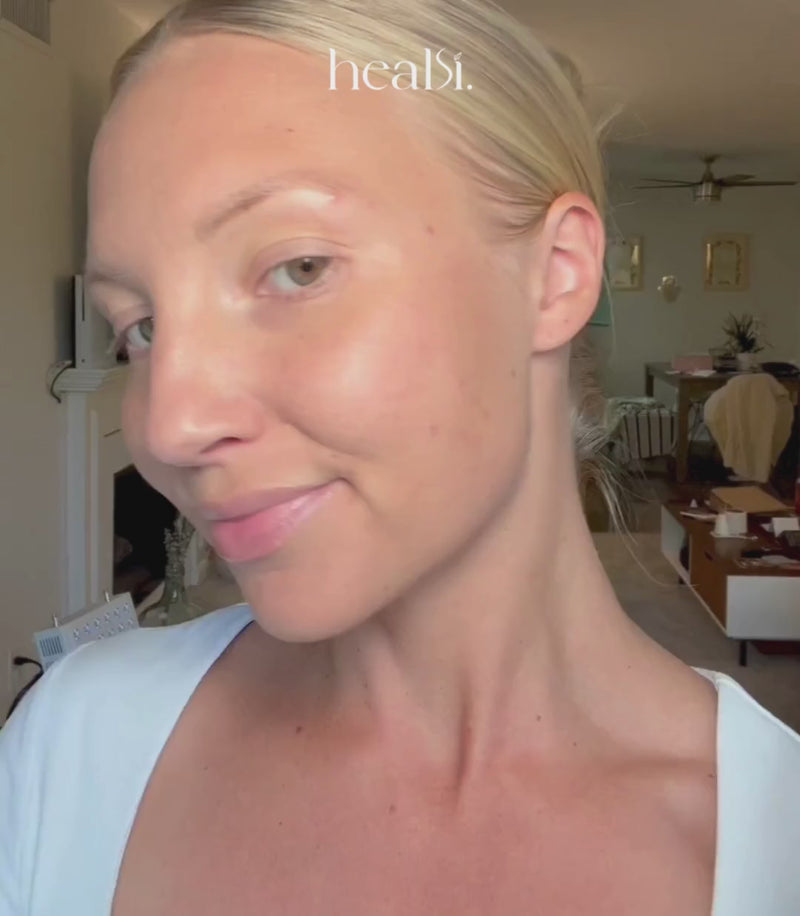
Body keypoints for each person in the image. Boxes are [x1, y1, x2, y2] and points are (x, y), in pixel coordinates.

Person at [2, 1, 800, 913]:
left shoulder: (775, 851)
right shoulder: (73, 747)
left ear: (554, 275)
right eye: (140, 327)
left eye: (298, 267)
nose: (169, 425)